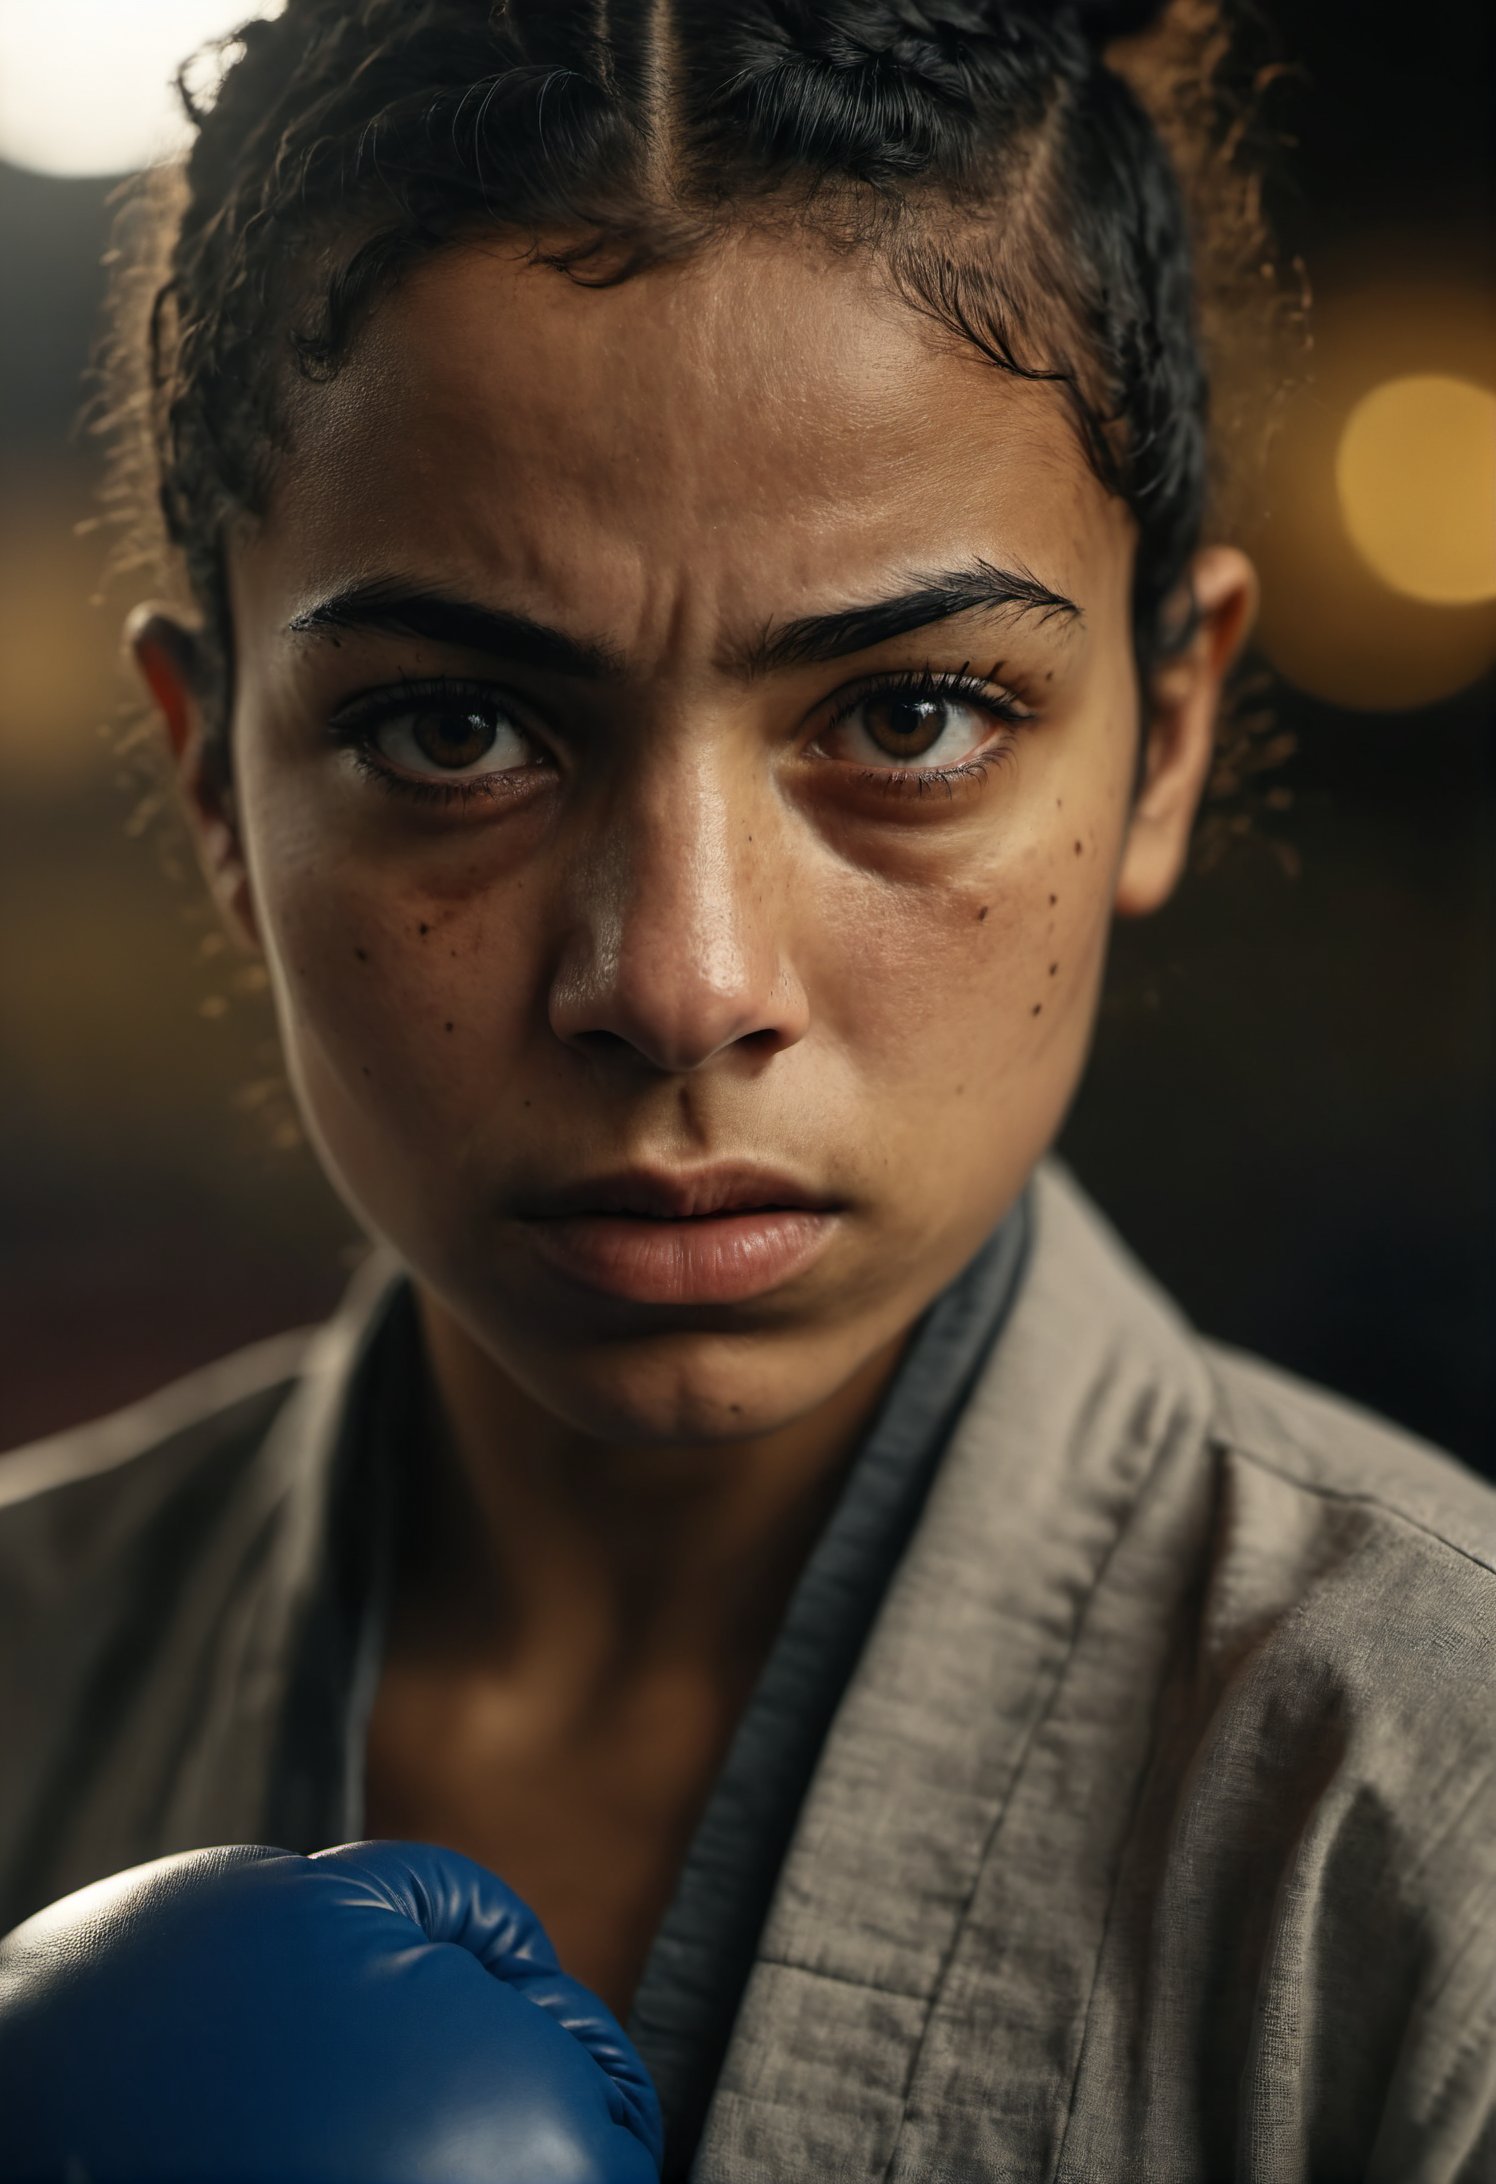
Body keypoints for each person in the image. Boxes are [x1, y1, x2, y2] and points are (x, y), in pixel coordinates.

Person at [0, 0, 1492, 2177]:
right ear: (214, 782)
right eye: (453, 733)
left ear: (1162, 737)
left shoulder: (1436, 1824)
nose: (680, 983)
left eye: (906, 722)